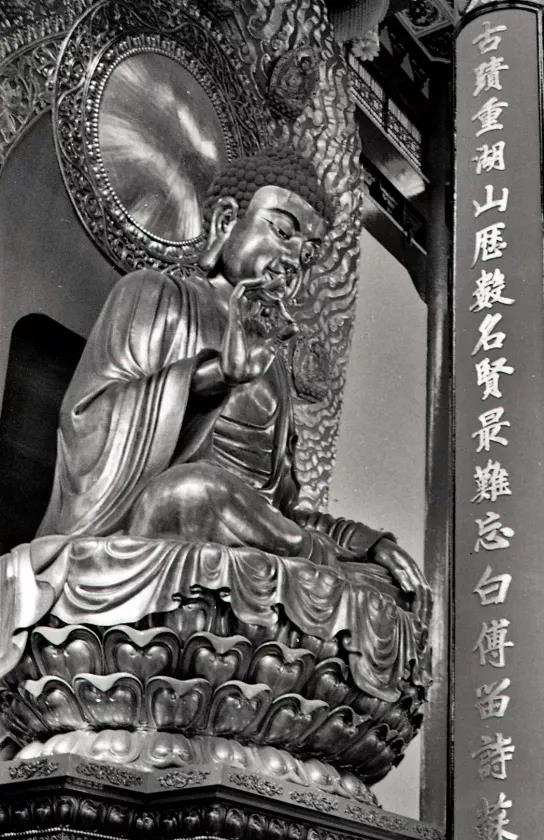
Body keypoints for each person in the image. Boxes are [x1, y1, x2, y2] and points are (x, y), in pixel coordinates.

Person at [35, 146, 428, 615]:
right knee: (192, 493)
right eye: (282, 232)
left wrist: (367, 544)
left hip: (244, 539)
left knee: (387, 587)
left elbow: (276, 511)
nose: (292, 260)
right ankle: (319, 562)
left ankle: (321, 563)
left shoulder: (273, 366)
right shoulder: (155, 295)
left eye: (306, 255)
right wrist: (216, 376)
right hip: (168, 517)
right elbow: (90, 424)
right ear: (226, 221)